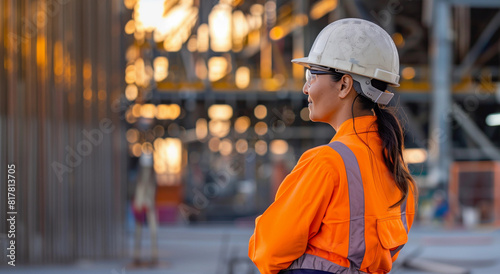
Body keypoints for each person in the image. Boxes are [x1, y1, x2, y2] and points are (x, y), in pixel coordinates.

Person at [248, 18, 418, 274]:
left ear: (344, 84)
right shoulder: (398, 170)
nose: (306, 88)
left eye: (311, 75)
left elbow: (269, 251)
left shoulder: (327, 162)